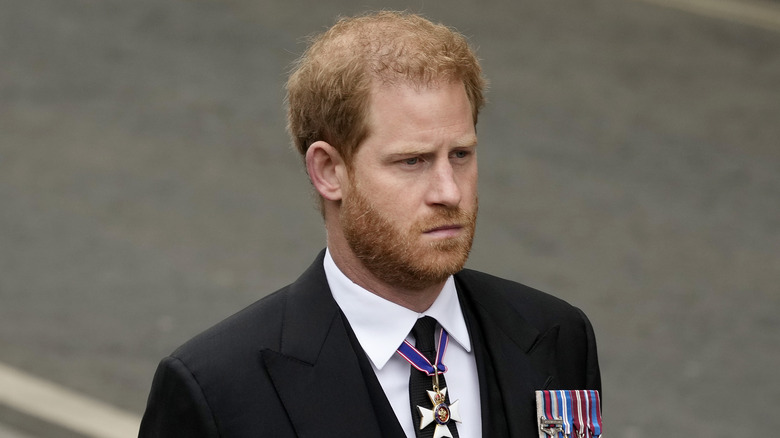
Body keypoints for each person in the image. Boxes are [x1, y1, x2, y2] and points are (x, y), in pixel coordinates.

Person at [139, 11, 601, 438]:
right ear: (329, 171)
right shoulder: (219, 390)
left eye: (460, 154)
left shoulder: (556, 336)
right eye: (412, 161)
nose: (450, 191)